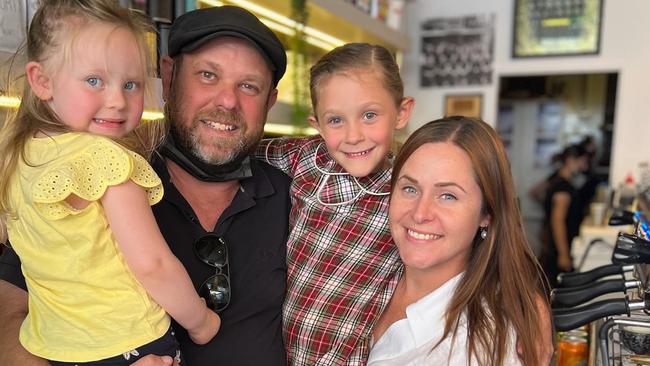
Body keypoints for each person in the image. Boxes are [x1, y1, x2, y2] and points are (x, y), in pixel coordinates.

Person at [0, 4, 291, 366]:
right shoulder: (97, 177)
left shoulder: (299, 196)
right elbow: (12, 306)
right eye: (207, 75)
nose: (228, 101)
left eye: (248, 86)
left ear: (270, 102)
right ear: (168, 77)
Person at [256, 42, 415, 364]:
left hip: (347, 357)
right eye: (336, 120)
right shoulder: (306, 157)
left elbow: (480, 234)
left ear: (401, 112)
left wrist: (533, 301)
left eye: (369, 115)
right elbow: (231, 149)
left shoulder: (411, 184)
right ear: (317, 125)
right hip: (272, 350)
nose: (353, 135)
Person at [368, 116, 549, 365]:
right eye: (410, 189)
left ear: (487, 214)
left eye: (448, 196)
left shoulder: (478, 351)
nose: (420, 214)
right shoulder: (364, 257)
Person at [540, 144, 589, 287]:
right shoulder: (563, 188)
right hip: (558, 247)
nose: (584, 167)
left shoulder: (557, 181)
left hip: (554, 245)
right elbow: (558, 220)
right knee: (557, 293)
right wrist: (563, 254)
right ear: (571, 160)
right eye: (583, 162)